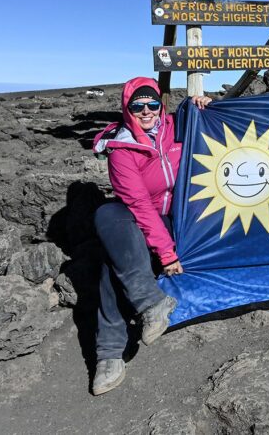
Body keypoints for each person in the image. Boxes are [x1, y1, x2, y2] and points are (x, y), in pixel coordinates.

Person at [89, 77, 210, 395]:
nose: (146, 111)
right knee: (108, 216)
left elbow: (217, 132)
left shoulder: (179, 126)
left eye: (152, 104)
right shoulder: (120, 148)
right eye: (137, 106)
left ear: (162, 105)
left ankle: (114, 347)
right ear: (126, 109)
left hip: (180, 219)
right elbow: (139, 205)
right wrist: (166, 253)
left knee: (112, 261)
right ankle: (139, 319)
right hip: (145, 219)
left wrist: (208, 109)